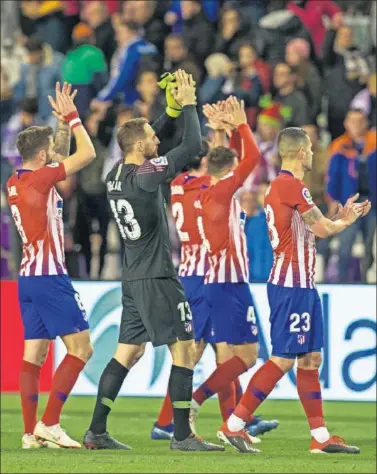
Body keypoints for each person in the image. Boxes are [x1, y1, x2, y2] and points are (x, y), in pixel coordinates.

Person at [83, 70, 223, 452]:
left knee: (128, 352)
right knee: (184, 348)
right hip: (158, 275)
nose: (158, 140)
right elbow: (194, 145)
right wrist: (190, 103)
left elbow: (145, 135)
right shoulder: (147, 175)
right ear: (139, 145)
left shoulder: (117, 174)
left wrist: (170, 109)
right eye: (153, 139)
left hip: (132, 277)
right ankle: (181, 435)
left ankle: (96, 430)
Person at [217, 126, 370, 453]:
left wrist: (338, 217)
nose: (314, 153)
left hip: (302, 284)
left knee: (311, 359)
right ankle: (234, 424)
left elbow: (311, 228)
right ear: (300, 153)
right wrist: (345, 221)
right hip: (291, 285)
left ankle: (320, 437)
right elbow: (324, 230)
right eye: (311, 149)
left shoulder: (284, 188)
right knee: (283, 359)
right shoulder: (291, 186)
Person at [6, 82, 96, 449]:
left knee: (35, 354)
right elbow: (86, 154)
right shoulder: (43, 178)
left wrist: (59, 126)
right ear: (42, 157)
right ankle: (51, 422)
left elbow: (57, 156)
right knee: (81, 349)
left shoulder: (16, 180)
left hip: (27, 277)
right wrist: (73, 119)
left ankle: (30, 433)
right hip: (48, 276)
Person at [188, 97, 264, 450]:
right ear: (229, 170)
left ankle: (231, 423)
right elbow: (253, 159)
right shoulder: (221, 190)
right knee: (247, 357)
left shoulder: (209, 189)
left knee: (238, 357)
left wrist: (225, 131)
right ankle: (199, 402)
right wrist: (242, 124)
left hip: (221, 283)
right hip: (228, 283)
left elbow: (227, 160)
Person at [151, 138, 211, 440]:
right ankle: (165, 422)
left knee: (218, 352)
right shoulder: (203, 186)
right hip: (204, 278)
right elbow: (231, 173)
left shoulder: (176, 185)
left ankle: (241, 418)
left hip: (187, 272)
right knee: (192, 354)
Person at [326, 109, 376, 282]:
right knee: (345, 245)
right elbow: (332, 177)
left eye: (360, 121)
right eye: (352, 121)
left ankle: (368, 283)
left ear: (366, 124)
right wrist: (333, 200)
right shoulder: (339, 145)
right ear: (346, 124)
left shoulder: (374, 143)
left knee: (371, 246)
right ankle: (342, 282)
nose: (356, 125)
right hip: (348, 203)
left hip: (372, 202)